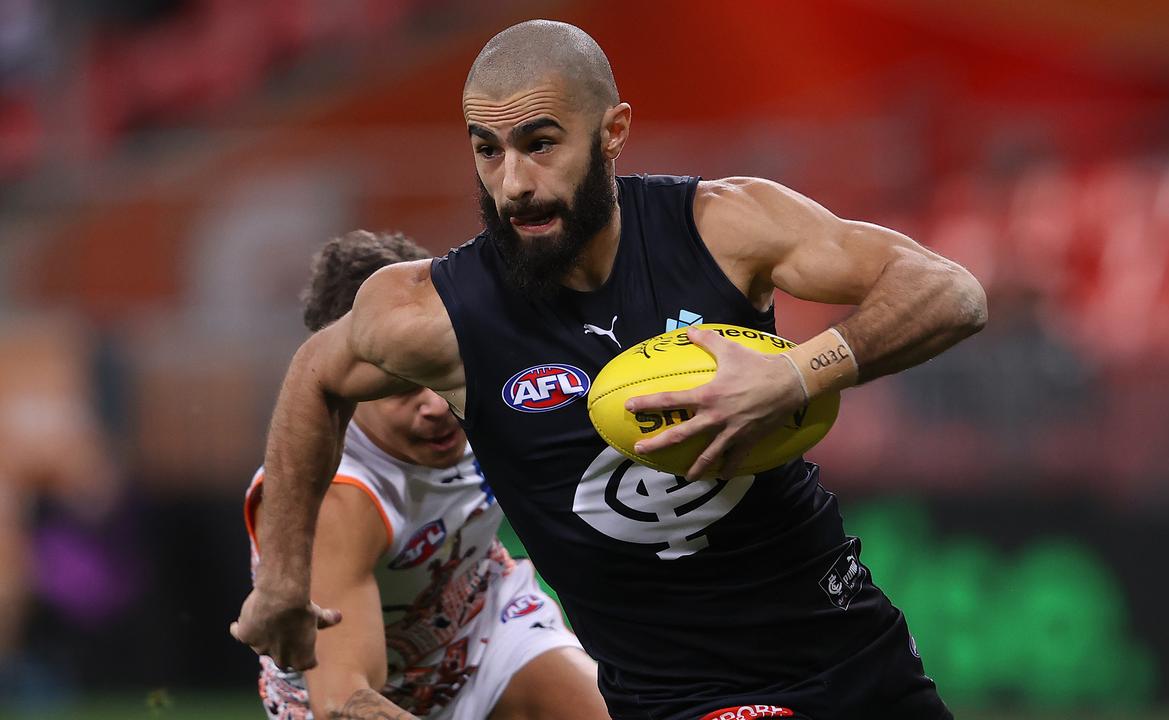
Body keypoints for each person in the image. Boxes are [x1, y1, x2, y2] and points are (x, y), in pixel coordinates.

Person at [232, 20, 988, 720]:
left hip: (850, 642)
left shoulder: (722, 228)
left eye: (540, 143)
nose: (514, 184)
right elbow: (316, 375)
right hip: (681, 693)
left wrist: (796, 375)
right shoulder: (437, 313)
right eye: (488, 150)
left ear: (614, 132)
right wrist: (282, 584)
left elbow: (949, 291)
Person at [242, 231, 609, 720]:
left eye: (432, 374)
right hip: (366, 698)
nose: (436, 406)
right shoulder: (340, 499)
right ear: (348, 382)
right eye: (400, 389)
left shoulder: (481, 379)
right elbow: (345, 703)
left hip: (487, 631)